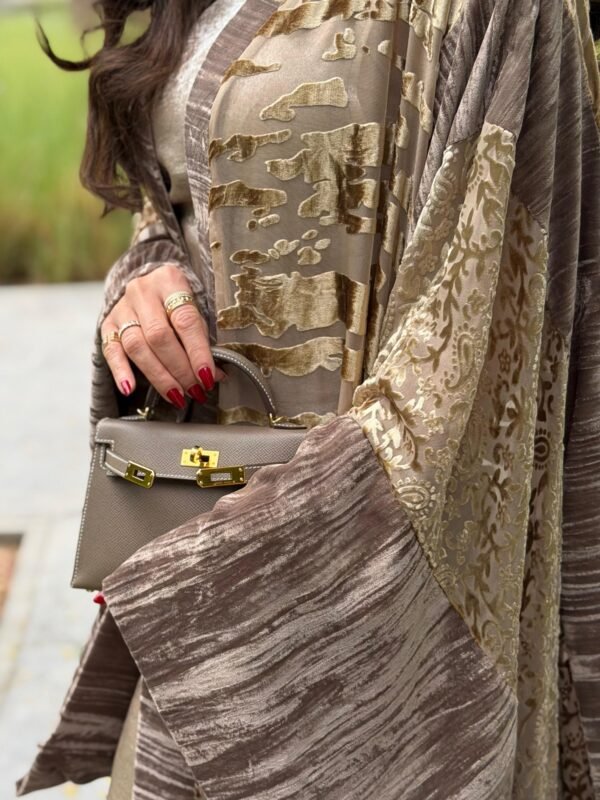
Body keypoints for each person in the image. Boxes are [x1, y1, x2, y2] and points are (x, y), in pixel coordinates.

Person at [16, 0, 600, 797]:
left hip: (361, 603)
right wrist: (147, 277)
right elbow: (178, 201)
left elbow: (491, 327)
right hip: (198, 568)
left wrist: (230, 573)